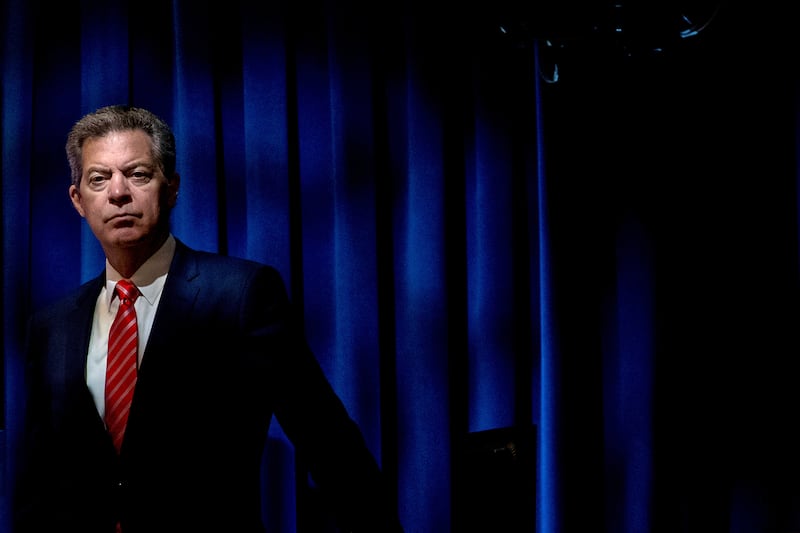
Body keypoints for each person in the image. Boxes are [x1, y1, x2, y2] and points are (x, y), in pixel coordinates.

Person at [12, 104, 404, 533]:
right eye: (98, 179)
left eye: (138, 174)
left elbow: (328, 443)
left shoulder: (241, 294)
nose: (118, 192)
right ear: (78, 201)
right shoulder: (51, 327)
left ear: (172, 187)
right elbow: (37, 483)